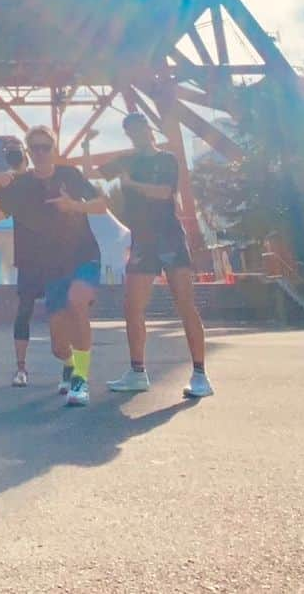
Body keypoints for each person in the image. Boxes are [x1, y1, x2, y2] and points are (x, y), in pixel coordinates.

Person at [0, 125, 108, 407]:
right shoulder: (21, 185)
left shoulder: (70, 175)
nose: (40, 153)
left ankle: (80, 380)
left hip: (83, 254)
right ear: (28, 152)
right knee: (58, 345)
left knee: (77, 302)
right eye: (35, 148)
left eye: (45, 147)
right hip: (51, 265)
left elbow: (101, 204)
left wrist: (74, 206)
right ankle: (70, 363)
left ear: (54, 149)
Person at [99, 112, 213, 399]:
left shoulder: (166, 159)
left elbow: (164, 193)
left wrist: (132, 184)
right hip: (143, 239)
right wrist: (88, 147)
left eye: (138, 129)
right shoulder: (129, 159)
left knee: (184, 303)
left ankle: (200, 374)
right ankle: (137, 372)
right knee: (132, 306)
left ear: (148, 130)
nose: (135, 134)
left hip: (169, 236)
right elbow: (98, 173)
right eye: (130, 131)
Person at [0, 137, 42, 386]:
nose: (14, 156)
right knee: (24, 311)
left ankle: (71, 368)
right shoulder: (8, 186)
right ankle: (21, 368)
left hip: (56, 255)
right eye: (9, 153)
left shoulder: (40, 177)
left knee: (63, 312)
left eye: (17, 152)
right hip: (27, 257)